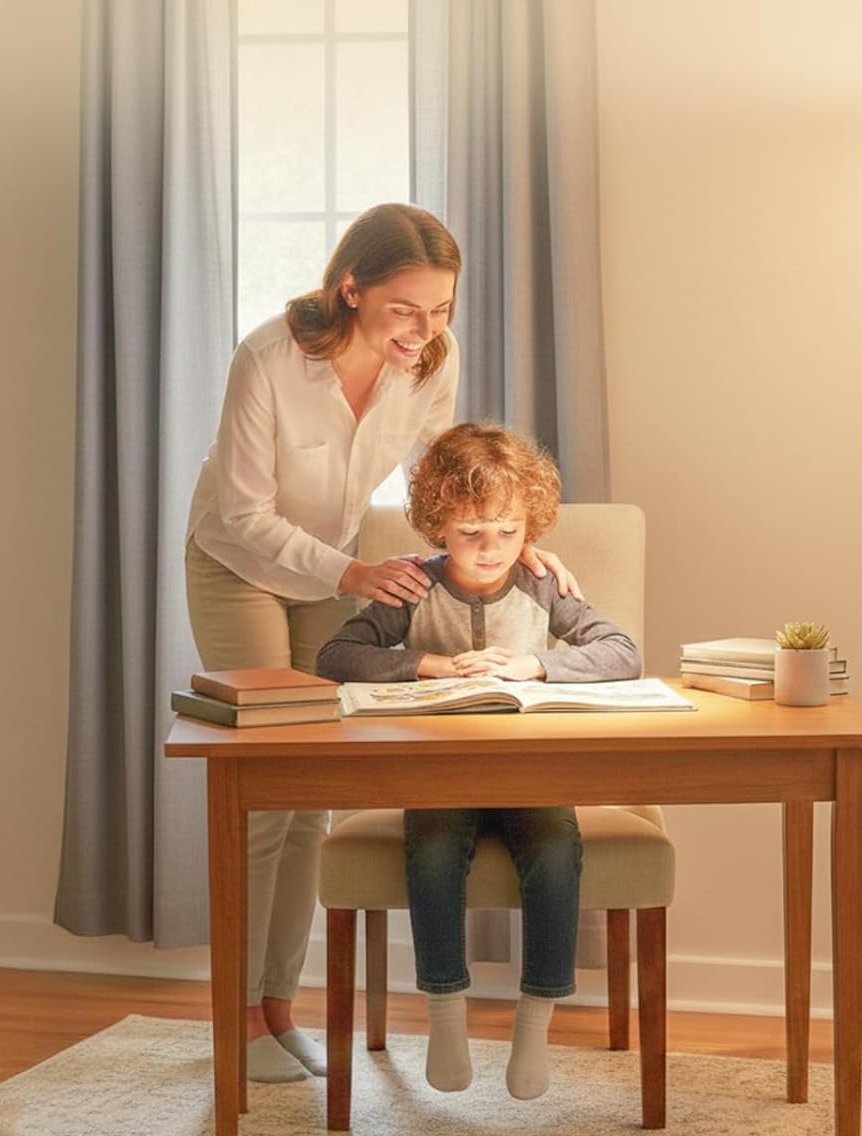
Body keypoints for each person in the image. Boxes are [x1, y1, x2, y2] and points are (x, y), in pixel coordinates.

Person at [185, 204, 579, 1085]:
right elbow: (245, 516)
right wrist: (355, 576)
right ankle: (236, 1020)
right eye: (406, 310)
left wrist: (507, 538)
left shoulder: (429, 360)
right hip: (239, 563)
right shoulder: (270, 360)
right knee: (262, 791)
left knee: (311, 801)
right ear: (351, 288)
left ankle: (278, 1008)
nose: (424, 332)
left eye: (441, 310)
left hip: (336, 567)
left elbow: (438, 485)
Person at [315, 423, 640, 1100]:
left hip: (531, 775)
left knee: (555, 849)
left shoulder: (541, 584)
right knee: (431, 849)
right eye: (470, 532)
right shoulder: (410, 588)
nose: (491, 549)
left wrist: (534, 664)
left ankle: (534, 1025)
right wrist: (426, 665)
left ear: (530, 528)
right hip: (438, 779)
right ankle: (445, 1018)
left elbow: (621, 652)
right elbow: (336, 658)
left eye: (507, 530)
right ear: (438, 526)